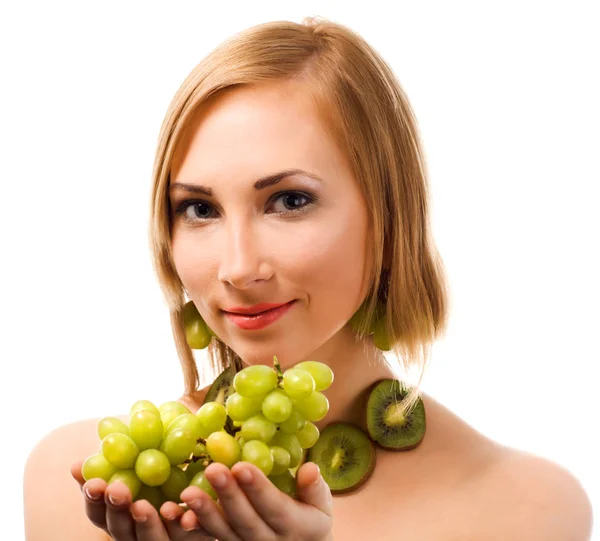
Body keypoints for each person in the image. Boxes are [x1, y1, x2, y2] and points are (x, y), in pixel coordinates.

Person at [23, 16, 593, 541]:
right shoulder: (73, 487)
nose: (239, 268)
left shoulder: (527, 511)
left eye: (289, 200)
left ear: (390, 215)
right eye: (199, 209)